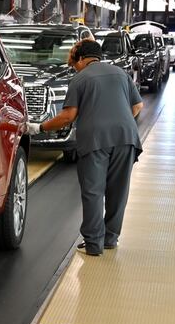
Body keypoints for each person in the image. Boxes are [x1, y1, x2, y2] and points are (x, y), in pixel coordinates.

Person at [26, 38, 144, 256]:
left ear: (81, 59)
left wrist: (38, 127)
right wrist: (119, 121)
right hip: (127, 137)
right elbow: (137, 105)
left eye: (73, 62)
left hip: (95, 140)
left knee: (93, 192)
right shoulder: (120, 74)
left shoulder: (80, 78)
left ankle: (93, 244)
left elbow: (67, 116)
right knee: (118, 191)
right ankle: (110, 239)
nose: (73, 66)